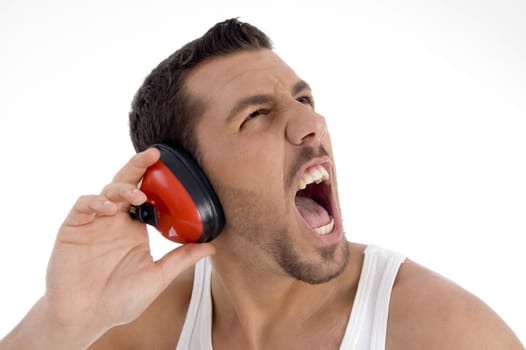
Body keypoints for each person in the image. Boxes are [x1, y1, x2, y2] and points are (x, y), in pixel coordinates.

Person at [0, 18, 523, 350]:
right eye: (256, 116)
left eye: (304, 99)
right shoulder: (142, 326)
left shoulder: (445, 333)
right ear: (185, 189)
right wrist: (64, 323)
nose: (309, 124)